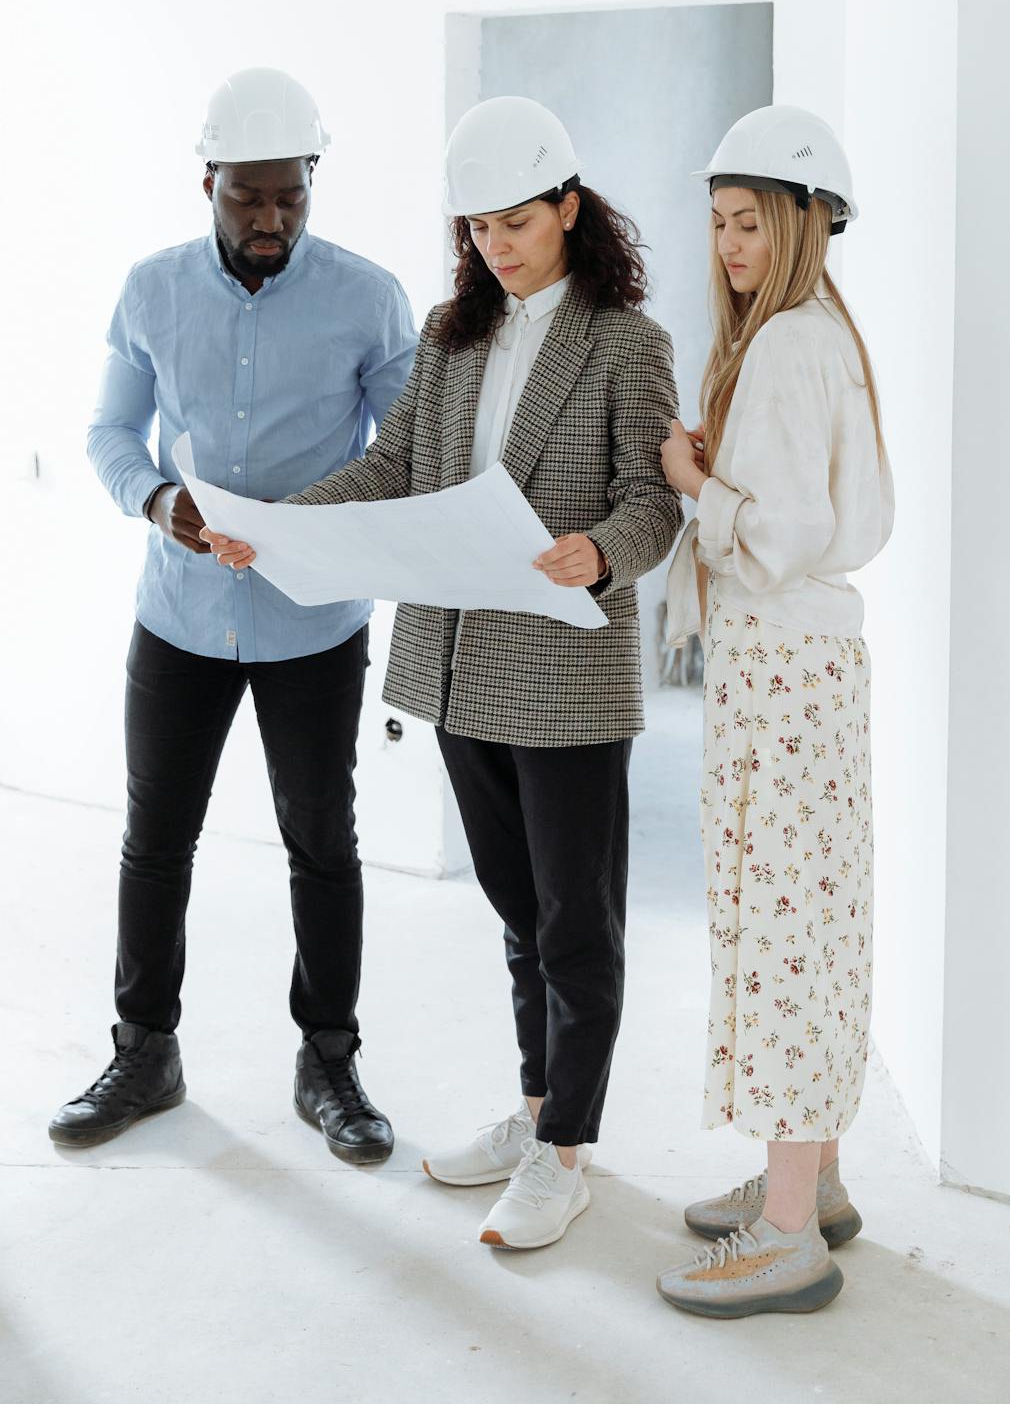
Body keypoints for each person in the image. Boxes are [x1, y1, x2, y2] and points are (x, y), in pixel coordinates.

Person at [205, 96, 682, 1250]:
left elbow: (655, 500)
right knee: (519, 914)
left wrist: (603, 549)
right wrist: (274, 523)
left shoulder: (629, 342)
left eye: (518, 221)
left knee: (578, 923)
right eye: (477, 227)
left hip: (566, 666)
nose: (497, 246)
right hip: (463, 668)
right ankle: (536, 1111)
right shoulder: (452, 334)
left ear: (571, 208)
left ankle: (567, 1150)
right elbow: (394, 471)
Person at [49, 68, 416, 1165]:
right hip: (180, 616)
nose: (270, 221)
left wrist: (316, 519)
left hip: (314, 622)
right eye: (246, 197)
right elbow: (111, 435)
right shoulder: (150, 290)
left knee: (322, 841)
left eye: (290, 198)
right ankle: (144, 1050)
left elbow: (400, 455)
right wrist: (159, 501)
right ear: (205, 180)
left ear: (312, 181)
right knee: (156, 836)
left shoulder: (368, 296)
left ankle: (331, 1061)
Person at [655, 104, 893, 1319]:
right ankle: (818, 1179)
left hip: (785, 668)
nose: (729, 244)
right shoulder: (813, 336)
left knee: (785, 927)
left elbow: (781, 534)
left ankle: (791, 1232)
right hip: (804, 671)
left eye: (750, 221)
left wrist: (696, 481)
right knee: (811, 918)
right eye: (718, 222)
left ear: (804, 224)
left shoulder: (792, 343)